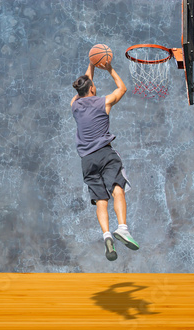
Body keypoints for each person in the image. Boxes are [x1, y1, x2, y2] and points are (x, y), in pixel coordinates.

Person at [70, 59, 139, 261]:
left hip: (87, 160)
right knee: (117, 188)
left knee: (101, 200)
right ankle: (123, 229)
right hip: (105, 154)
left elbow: (85, 84)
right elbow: (122, 88)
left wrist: (91, 65)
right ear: (92, 89)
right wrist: (109, 69)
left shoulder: (75, 105)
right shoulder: (103, 102)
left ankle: (107, 235)